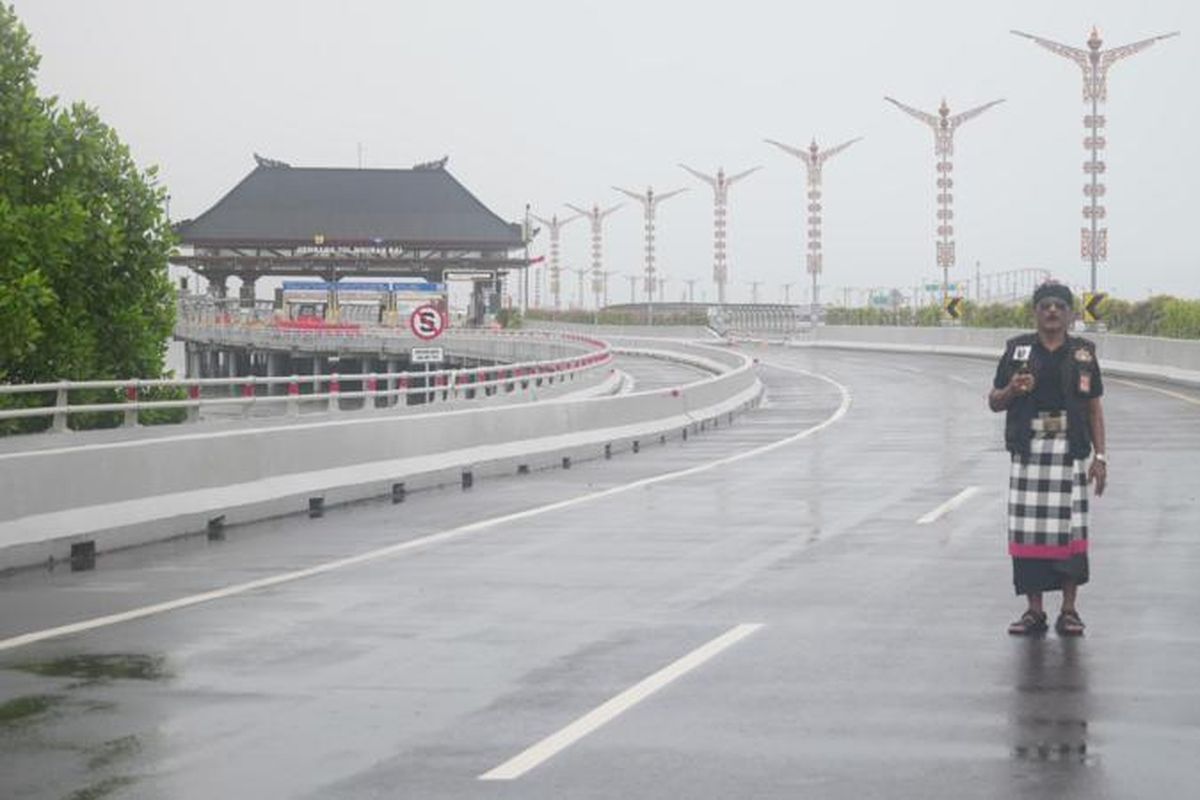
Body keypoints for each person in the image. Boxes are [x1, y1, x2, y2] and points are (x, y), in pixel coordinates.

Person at [988, 282, 1107, 636]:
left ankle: (1069, 611)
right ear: (1035, 313)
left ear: (1070, 314)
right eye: (1045, 305)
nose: (1052, 310)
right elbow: (994, 401)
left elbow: (1094, 409)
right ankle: (1034, 611)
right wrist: (1012, 389)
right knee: (1029, 536)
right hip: (1030, 452)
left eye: (1059, 305)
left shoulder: (1083, 354)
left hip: (1070, 451)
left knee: (1071, 535)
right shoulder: (1017, 351)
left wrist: (1100, 456)